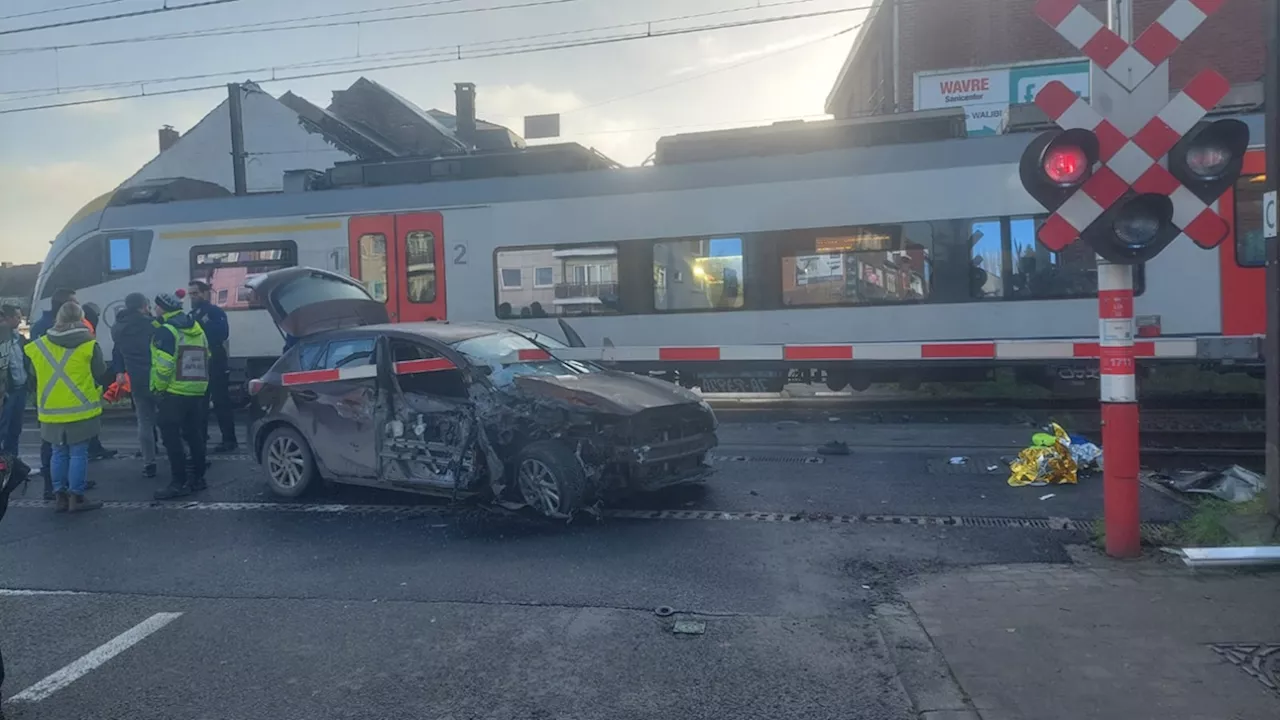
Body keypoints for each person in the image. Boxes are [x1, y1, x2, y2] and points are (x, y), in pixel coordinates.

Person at [23, 301, 107, 512]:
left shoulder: (40, 345)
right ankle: (76, 497)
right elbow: (100, 372)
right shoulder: (89, 344)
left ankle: (59, 495)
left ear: (57, 318)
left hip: (51, 409)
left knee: (57, 452)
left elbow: (32, 374)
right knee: (79, 453)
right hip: (81, 408)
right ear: (81, 318)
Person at [150, 292, 210, 500]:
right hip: (197, 389)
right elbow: (206, 356)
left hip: (173, 391)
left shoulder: (167, 331)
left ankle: (179, 482)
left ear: (163, 308)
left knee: (171, 438)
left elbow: (165, 367)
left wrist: (158, 388)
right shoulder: (197, 329)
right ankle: (198, 478)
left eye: (157, 306)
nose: (155, 309)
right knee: (194, 435)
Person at [112, 293, 161, 478]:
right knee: (170, 419)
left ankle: (149, 462)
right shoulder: (152, 325)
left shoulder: (118, 328)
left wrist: (119, 371)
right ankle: (177, 457)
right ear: (143, 306)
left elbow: (117, 351)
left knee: (144, 422)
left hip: (137, 379)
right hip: (158, 377)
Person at [187, 280, 237, 452]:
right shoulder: (192, 313)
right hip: (199, 361)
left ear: (204, 293)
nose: (193, 297)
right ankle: (201, 438)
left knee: (221, 401)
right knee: (200, 403)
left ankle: (229, 439)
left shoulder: (215, 312)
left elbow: (222, 333)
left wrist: (201, 328)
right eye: (191, 294)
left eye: (195, 293)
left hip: (215, 359)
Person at [0, 305, 30, 457]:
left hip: (21, 388)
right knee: (3, 429)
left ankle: (12, 461)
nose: (20, 320)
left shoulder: (20, 338)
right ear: (7, 318)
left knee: (15, 429)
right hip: (8, 391)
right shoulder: (4, 338)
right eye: (17, 317)